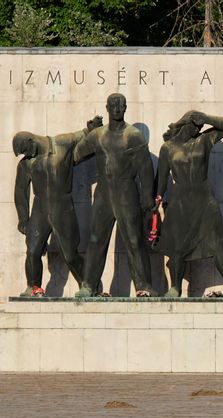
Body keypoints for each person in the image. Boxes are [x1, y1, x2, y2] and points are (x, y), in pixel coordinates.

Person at [155, 110, 223, 298]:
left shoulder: (204, 140)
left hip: (204, 198)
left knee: (219, 244)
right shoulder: (167, 148)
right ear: (184, 124)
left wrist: (207, 119)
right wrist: (157, 198)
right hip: (180, 201)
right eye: (194, 125)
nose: (197, 128)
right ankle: (175, 288)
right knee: (177, 248)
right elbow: (161, 177)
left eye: (200, 126)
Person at [74, 93, 158, 297]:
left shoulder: (134, 135)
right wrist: (86, 132)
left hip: (126, 191)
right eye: (113, 105)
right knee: (95, 239)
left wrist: (148, 196)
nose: (117, 108)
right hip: (103, 192)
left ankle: (144, 286)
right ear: (107, 108)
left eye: (121, 105)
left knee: (134, 239)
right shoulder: (98, 135)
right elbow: (77, 154)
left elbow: (145, 168)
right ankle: (88, 285)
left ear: (125, 108)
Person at [13, 116, 102, 297]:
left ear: (31, 141)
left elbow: (83, 135)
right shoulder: (26, 164)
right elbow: (20, 191)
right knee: (32, 250)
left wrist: (92, 128)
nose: (25, 155)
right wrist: (23, 219)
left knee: (70, 254)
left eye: (25, 150)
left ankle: (89, 286)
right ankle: (33, 286)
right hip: (40, 207)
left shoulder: (61, 143)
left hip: (62, 205)